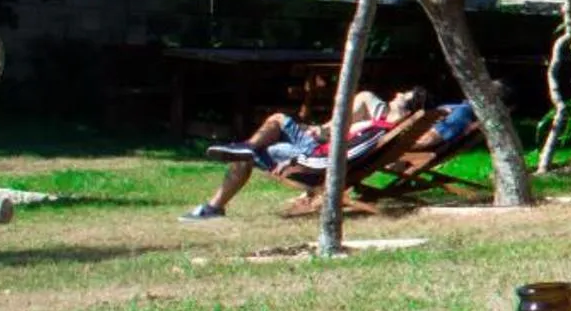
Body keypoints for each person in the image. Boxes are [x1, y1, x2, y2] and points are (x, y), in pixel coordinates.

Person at [179, 88, 426, 221]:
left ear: (406, 111)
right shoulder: (381, 130)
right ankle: (218, 199)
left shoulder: (378, 131)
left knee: (276, 120)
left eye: (402, 97)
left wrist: (296, 162)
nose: (395, 95)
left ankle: (216, 203)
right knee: (255, 146)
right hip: (315, 155)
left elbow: (340, 158)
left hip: (314, 162)